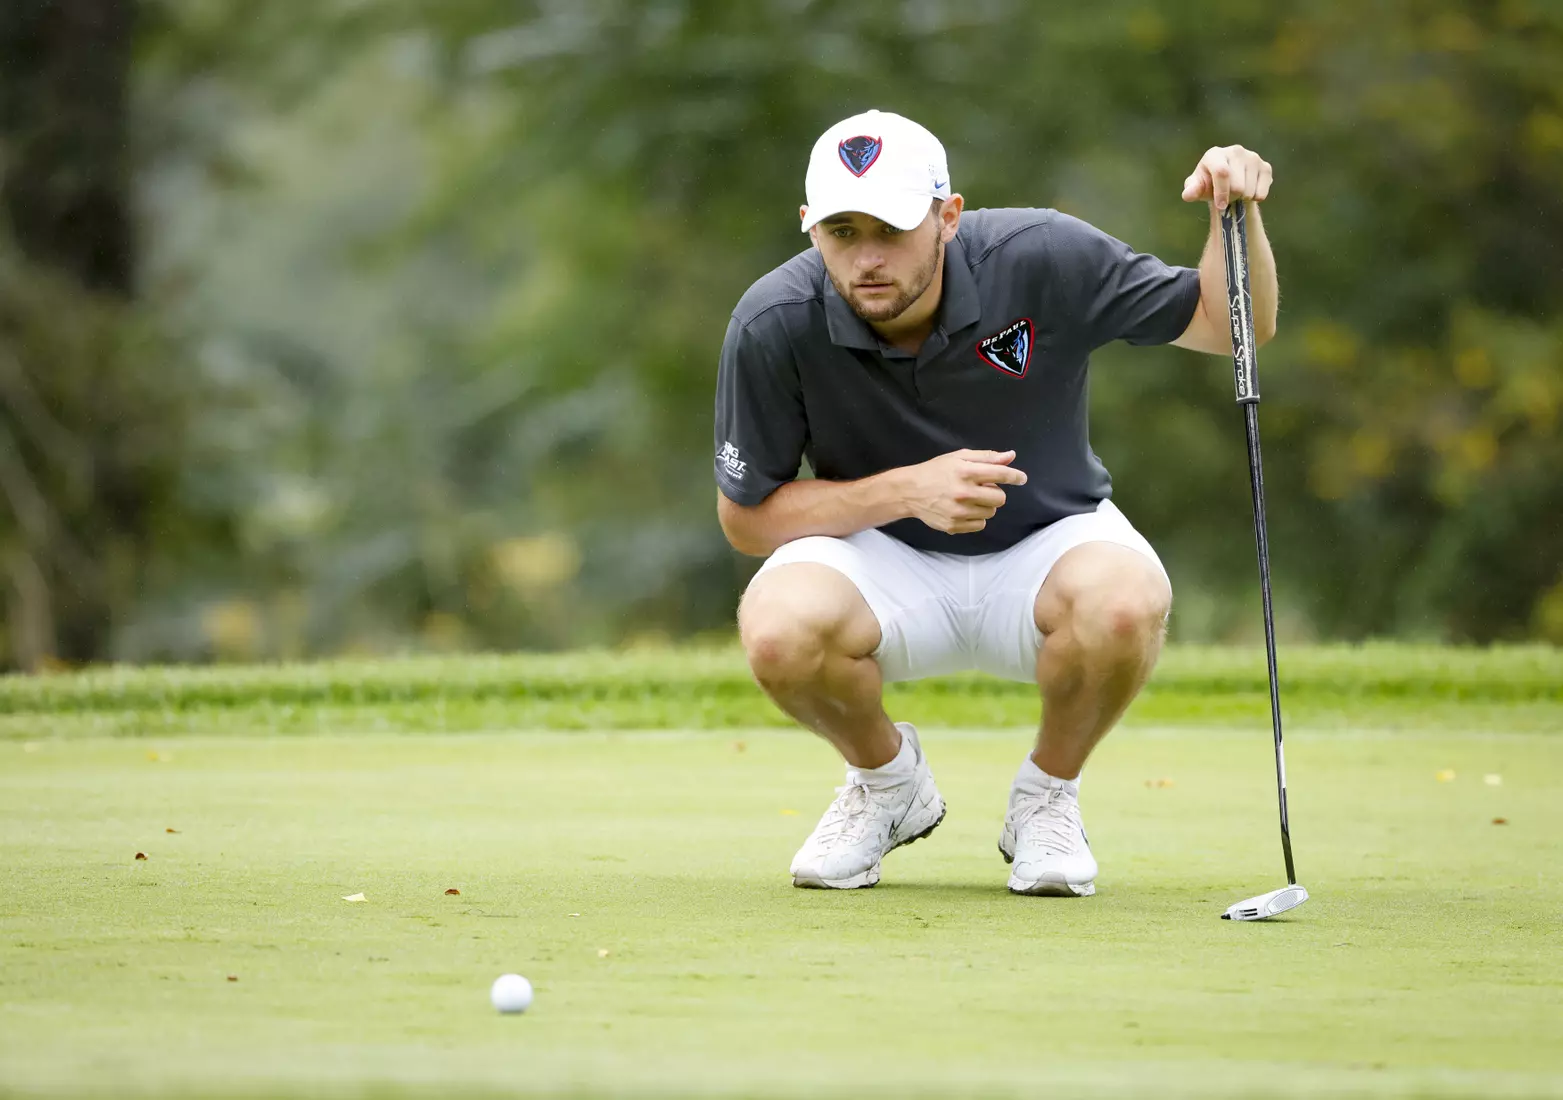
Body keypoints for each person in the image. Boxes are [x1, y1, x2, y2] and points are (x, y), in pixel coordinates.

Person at [712, 109, 1277, 895]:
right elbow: (746, 519)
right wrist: (906, 491)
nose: (866, 258)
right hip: (880, 560)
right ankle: (887, 786)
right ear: (808, 227)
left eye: (891, 228)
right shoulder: (773, 321)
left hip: (1049, 539)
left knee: (1123, 605)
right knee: (776, 632)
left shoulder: (1040, 255)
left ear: (948, 216)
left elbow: (1228, 326)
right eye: (842, 232)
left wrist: (1232, 215)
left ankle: (1047, 798)